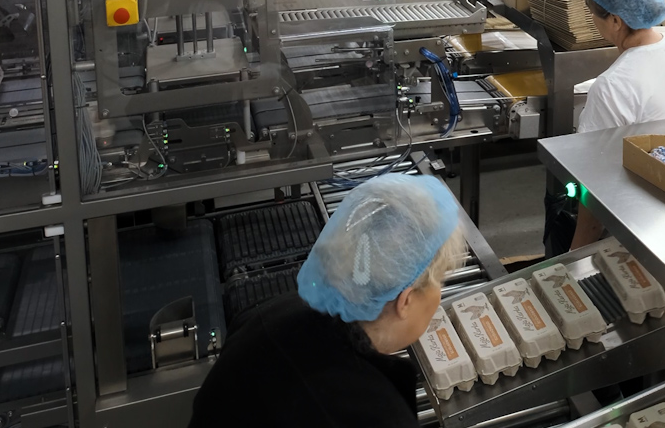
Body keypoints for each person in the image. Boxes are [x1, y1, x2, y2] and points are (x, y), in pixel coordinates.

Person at [188, 174, 466, 428]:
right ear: (404, 300)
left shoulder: (276, 311)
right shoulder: (373, 416)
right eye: (439, 281)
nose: (439, 294)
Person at [565, 0, 665, 249]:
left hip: (630, 219)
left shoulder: (613, 86)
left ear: (615, 20)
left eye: (593, 13)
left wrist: (574, 254)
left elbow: (594, 182)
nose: (592, 20)